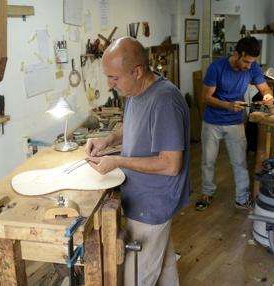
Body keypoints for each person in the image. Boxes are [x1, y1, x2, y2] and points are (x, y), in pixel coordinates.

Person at [85, 36, 190, 286]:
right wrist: (108, 140)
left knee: (137, 278)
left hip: (153, 201)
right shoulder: (134, 91)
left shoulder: (165, 101)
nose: (110, 84)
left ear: (138, 71)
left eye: (114, 78)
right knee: (163, 264)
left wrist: (118, 161)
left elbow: (170, 164)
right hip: (142, 195)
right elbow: (133, 126)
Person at [195, 36, 274, 211]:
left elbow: (264, 88)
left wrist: (268, 95)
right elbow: (205, 97)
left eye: (251, 63)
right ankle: (206, 193)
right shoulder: (216, 68)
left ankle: (242, 198)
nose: (248, 66)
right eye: (245, 61)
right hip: (212, 121)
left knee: (239, 162)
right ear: (236, 54)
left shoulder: (252, 67)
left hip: (235, 122)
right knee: (208, 161)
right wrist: (228, 105)